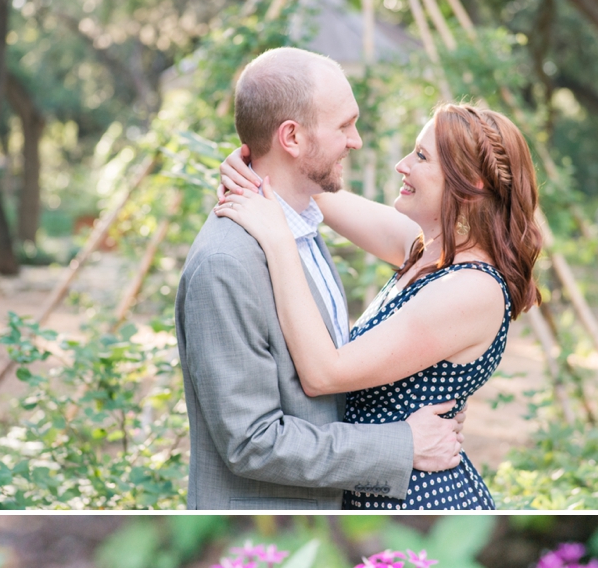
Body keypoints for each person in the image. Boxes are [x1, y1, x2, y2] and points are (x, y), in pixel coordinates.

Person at [216, 96, 542, 509]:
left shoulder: (471, 289)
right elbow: (311, 191)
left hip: (417, 497)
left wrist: (278, 239)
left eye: (421, 157)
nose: (402, 165)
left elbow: (323, 374)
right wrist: (252, 167)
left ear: (472, 182)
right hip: (378, 480)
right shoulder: (427, 249)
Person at [174, 46, 464, 510]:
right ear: (291, 136)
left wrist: (258, 173)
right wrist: (402, 444)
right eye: (344, 125)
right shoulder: (226, 263)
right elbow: (252, 441)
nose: (357, 140)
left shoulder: (298, 225)